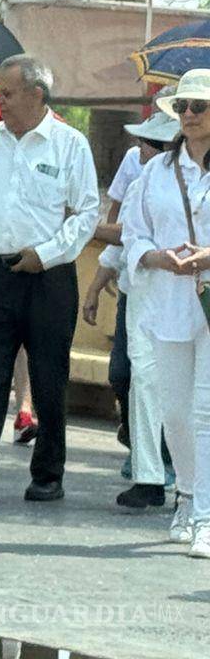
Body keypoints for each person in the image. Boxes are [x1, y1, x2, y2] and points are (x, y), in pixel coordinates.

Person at [0, 55, 100, 506]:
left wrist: (45, 255)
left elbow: (87, 213)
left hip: (48, 279)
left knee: (49, 379)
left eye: (8, 94)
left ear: (37, 94)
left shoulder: (69, 144)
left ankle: (48, 475)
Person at [122, 74, 210, 556]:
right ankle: (188, 495)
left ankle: (205, 516)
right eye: (182, 107)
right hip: (170, 301)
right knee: (173, 411)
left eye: (199, 106)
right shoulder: (156, 171)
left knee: (205, 409)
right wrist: (157, 258)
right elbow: (134, 233)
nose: (189, 115)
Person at [91, 110, 179, 508]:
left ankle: (187, 481)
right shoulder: (147, 180)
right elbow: (130, 236)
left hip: (189, 294)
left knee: (187, 388)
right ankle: (149, 476)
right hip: (143, 290)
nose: (140, 148)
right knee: (137, 379)